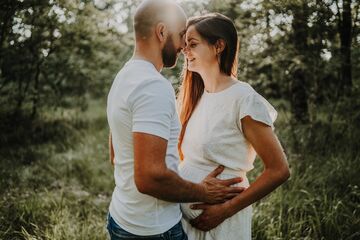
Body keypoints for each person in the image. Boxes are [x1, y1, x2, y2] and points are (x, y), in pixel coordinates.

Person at [106, 2, 244, 239]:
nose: (182, 46)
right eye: (181, 35)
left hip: (122, 217)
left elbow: (115, 155)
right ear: (161, 32)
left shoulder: (124, 76)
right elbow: (150, 178)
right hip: (153, 229)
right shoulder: (153, 86)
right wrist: (203, 191)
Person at [177, 13, 290, 240]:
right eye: (184, 45)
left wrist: (224, 211)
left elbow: (279, 170)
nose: (184, 50)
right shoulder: (194, 96)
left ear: (218, 46)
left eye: (192, 44)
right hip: (183, 220)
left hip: (221, 223)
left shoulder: (243, 99)